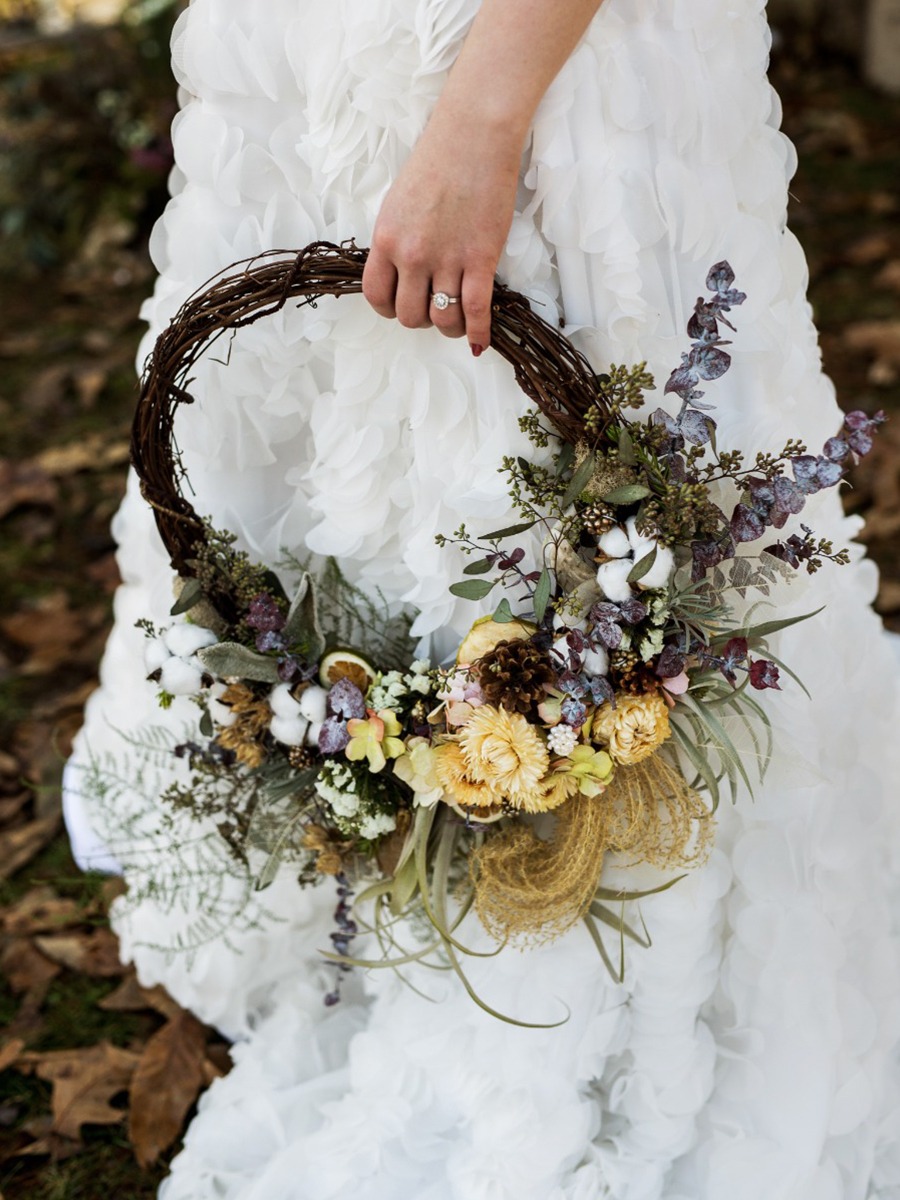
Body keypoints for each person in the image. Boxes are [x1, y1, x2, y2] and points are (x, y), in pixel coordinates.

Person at [63, 0, 900, 1196]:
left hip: (515, 56)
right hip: (318, 48)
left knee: (549, 469)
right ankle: (361, 855)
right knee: (337, 469)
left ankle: (540, 934)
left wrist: (481, 121)